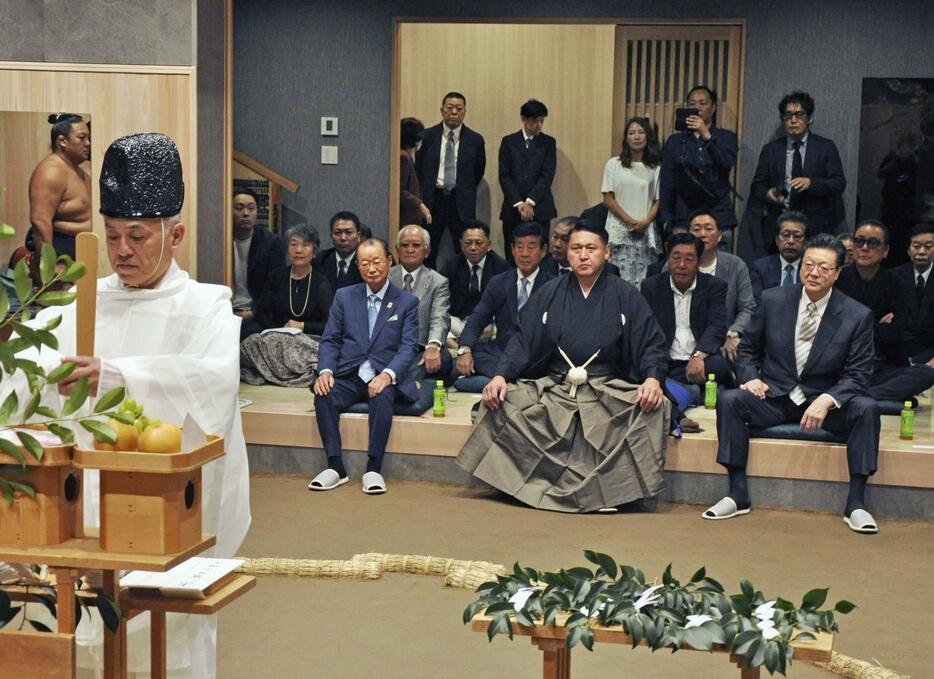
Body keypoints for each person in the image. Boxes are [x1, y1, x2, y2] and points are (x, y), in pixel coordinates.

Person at [2, 133, 251, 676]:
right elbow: (18, 373)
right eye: (112, 235)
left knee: (166, 649)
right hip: (76, 514)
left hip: (160, 514)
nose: (121, 251)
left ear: (175, 233)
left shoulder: (205, 306)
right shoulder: (77, 300)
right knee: (79, 645)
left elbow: (215, 386)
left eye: (138, 237)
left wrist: (120, 376)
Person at [456, 220, 670, 513]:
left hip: (605, 386)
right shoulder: (549, 291)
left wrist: (653, 380)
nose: (584, 255)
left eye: (591, 249)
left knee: (654, 407)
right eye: (576, 248)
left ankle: (612, 492)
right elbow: (522, 339)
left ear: (606, 252)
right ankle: (529, 486)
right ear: (566, 253)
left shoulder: (626, 295)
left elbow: (651, 342)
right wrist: (500, 376)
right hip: (556, 384)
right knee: (500, 401)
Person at [704, 234, 880, 534]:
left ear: (837, 273)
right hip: (775, 396)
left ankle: (857, 502)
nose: (814, 273)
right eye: (808, 265)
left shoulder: (857, 314)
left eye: (824, 268)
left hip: (823, 403)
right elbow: (747, 350)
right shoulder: (773, 299)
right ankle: (737, 493)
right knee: (730, 399)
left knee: (866, 408)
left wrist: (827, 399)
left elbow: (860, 373)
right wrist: (751, 378)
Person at [310, 238, 420, 495]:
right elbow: (330, 339)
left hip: (383, 373)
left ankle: (373, 468)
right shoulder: (344, 297)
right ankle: (335, 466)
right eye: (365, 263)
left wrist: (388, 375)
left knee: (381, 395)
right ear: (358, 266)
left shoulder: (406, 302)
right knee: (322, 392)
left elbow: (408, 348)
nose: (371, 268)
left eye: (377, 261)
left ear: (389, 262)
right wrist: (325, 370)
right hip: (349, 372)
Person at [835, 220, 934, 400]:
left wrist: (860, 325)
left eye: (873, 243)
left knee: (926, 374)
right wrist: (876, 324)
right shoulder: (837, 279)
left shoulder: (896, 284)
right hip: (841, 365)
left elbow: (894, 335)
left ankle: (859, 395)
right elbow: (835, 330)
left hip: (878, 365)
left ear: (886, 251)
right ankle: (869, 394)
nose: (865, 247)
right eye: (859, 241)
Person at [456, 221, 554, 379]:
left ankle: (506, 376)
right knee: (475, 353)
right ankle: (514, 377)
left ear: (543, 251)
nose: (524, 253)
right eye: (520, 247)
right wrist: (464, 349)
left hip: (535, 355)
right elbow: (478, 317)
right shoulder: (499, 282)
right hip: (502, 351)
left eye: (531, 247)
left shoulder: (553, 285)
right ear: (513, 250)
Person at [641, 233, 730, 405]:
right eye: (676, 258)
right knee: (647, 368)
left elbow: (717, 325)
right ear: (668, 260)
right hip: (667, 359)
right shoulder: (651, 287)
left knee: (719, 366)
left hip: (702, 359)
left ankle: (678, 390)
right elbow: (648, 330)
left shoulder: (714, 286)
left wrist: (698, 355)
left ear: (699, 263)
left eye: (689, 259)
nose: (682, 265)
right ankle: (691, 390)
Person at [240, 223, 333, 387]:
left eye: (305, 244)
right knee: (249, 343)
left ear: (314, 250)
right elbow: (261, 312)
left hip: (307, 338)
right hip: (275, 336)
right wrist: (278, 330)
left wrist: (301, 325)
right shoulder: (277, 276)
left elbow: (328, 324)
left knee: (317, 353)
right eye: (293, 244)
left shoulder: (321, 282)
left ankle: (279, 373)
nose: (299, 250)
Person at [750, 91, 846, 238]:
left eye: (799, 115)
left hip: (816, 226)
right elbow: (757, 186)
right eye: (788, 115)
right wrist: (769, 194)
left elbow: (838, 183)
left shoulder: (825, 147)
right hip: (780, 226)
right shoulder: (771, 150)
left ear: (810, 118)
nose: (793, 120)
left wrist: (811, 183)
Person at [659, 86, 739, 248]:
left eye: (703, 103)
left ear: (713, 107)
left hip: (718, 213)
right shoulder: (675, 141)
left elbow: (726, 163)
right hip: (683, 214)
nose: (697, 108)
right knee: (683, 264)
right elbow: (667, 181)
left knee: (720, 265)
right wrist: (666, 218)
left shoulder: (726, 137)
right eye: (692, 103)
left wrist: (706, 135)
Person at [415, 91, 486, 267]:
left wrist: (462, 188)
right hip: (433, 201)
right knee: (428, 249)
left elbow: (478, 171)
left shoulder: (475, 140)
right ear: (442, 110)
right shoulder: (426, 137)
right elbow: (419, 170)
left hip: (460, 201)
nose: (454, 112)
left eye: (458, 108)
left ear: (464, 112)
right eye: (450, 107)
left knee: (464, 250)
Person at [685, 209, 756, 362]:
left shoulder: (736, 266)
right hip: (683, 344)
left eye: (708, 229)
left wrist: (734, 332)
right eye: (696, 229)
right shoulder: (675, 266)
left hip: (723, 342)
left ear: (719, 236)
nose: (702, 234)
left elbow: (747, 307)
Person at [601, 116, 662, 285]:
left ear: (648, 136)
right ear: (626, 138)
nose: (637, 136)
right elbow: (607, 198)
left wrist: (645, 222)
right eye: (632, 133)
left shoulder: (655, 166)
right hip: (620, 231)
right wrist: (629, 221)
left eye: (641, 132)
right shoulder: (614, 164)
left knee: (643, 281)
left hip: (645, 230)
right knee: (618, 279)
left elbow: (658, 200)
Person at [388, 225, 452, 383]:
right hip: (390, 346)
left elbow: (440, 317)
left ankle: (402, 385)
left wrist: (433, 345)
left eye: (416, 245)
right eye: (404, 245)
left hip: (421, 346)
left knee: (441, 358)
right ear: (397, 249)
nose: (410, 250)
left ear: (427, 251)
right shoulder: (385, 277)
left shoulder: (437, 281)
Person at [26, 113, 91, 260]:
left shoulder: (78, 170)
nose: (88, 143)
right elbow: (40, 222)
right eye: (82, 138)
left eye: (88, 138)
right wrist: (49, 267)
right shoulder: (51, 171)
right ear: (62, 141)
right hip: (60, 251)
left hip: (81, 249)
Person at [498, 99, 557, 261]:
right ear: (523, 119)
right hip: (513, 209)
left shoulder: (548, 143)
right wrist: (519, 204)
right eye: (534, 121)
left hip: (540, 208)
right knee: (512, 255)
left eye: (541, 121)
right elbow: (504, 176)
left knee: (540, 255)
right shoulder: (508, 142)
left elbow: (547, 176)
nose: (538, 125)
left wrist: (530, 202)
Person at [442, 220, 509, 342]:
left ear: (489, 245)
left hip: (488, 323)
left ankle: (463, 342)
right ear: (461, 244)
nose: (473, 248)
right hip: (459, 322)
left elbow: (505, 302)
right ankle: (463, 341)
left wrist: (493, 323)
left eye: (478, 243)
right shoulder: (451, 266)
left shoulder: (501, 267)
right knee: (441, 319)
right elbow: (441, 302)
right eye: (468, 243)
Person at [231, 188, 284, 338]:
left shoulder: (271, 243)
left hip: (257, 313)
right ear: (229, 210)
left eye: (251, 208)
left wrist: (252, 312)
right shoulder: (221, 240)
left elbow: (274, 287)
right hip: (226, 310)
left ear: (256, 212)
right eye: (239, 208)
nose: (245, 213)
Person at [893, 224, 934, 366]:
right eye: (916, 246)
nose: (922, 251)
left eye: (928, 246)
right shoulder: (894, 276)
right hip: (898, 354)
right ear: (909, 250)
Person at [748, 211, 807, 302]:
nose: (791, 241)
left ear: (805, 242)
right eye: (786, 235)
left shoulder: (811, 269)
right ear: (777, 240)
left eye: (797, 236)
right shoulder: (760, 268)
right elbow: (757, 305)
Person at [541, 215, 620, 277]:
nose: (557, 244)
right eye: (555, 236)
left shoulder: (607, 271)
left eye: (565, 239)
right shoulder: (541, 265)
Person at [316, 211, 364, 291]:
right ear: (331, 236)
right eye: (337, 233)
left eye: (348, 232)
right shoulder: (320, 261)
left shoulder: (366, 262)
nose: (343, 238)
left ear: (358, 236)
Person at [399, 117, 432, 227]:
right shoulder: (403, 156)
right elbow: (399, 190)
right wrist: (419, 204)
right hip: (405, 217)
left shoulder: (406, 155)